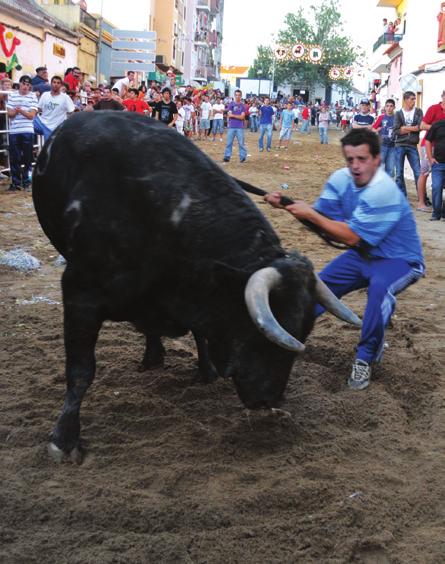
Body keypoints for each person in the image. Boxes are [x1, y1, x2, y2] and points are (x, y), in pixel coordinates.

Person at [264, 128, 424, 390]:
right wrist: (287, 203)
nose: (355, 166)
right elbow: (320, 217)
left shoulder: (384, 191)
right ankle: (284, 342)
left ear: (377, 160)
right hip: (363, 255)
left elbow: (349, 236)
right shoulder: (340, 179)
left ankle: (365, 357)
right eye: (350, 160)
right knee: (315, 289)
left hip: (401, 261)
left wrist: (310, 215)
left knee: (379, 290)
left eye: (362, 159)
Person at [6, 75, 38, 192]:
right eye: (24, 84)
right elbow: (9, 114)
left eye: (28, 85)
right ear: (20, 83)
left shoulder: (33, 96)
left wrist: (19, 111)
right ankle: (15, 182)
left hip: (28, 130)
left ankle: (26, 181)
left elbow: (31, 116)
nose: (26, 87)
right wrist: (17, 111)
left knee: (28, 158)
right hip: (14, 130)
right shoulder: (12, 95)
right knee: (15, 158)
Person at [418, 90, 445, 211]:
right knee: (425, 172)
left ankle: (438, 206)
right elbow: (422, 125)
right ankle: (421, 203)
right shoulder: (434, 108)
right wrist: (437, 128)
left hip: (442, 148)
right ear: (442, 96)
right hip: (429, 145)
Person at [393, 91, 423, 197]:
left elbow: (419, 127)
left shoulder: (418, 111)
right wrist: (412, 128)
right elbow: (396, 130)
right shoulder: (398, 113)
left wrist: (404, 127)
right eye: (412, 99)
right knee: (399, 173)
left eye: (415, 99)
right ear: (405, 100)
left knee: (418, 172)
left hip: (412, 145)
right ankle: (402, 197)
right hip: (399, 145)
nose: (414, 101)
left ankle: (422, 198)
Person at [34, 75, 75, 141]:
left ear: (61, 85)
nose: (56, 84)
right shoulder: (45, 95)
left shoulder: (65, 97)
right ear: (51, 83)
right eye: (54, 82)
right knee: (27, 122)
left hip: (55, 127)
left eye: (58, 83)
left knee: (49, 146)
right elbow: (38, 109)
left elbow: (72, 113)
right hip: (41, 123)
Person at [424, 118, 445, 220]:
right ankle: (436, 214)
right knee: (437, 187)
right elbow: (427, 140)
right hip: (438, 163)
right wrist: (430, 157)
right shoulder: (437, 124)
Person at [372, 98, 396, 178]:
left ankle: (387, 187)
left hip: (393, 147)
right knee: (380, 168)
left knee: (390, 169)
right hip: (382, 146)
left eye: (391, 106)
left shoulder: (397, 118)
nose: (389, 108)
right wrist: (377, 130)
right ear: (385, 107)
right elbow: (373, 129)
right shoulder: (381, 117)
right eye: (387, 106)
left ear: (394, 107)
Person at [223, 89, 247, 163]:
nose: (237, 96)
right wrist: (237, 116)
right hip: (231, 127)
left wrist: (233, 115)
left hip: (240, 127)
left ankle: (242, 157)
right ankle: (227, 157)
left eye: (239, 95)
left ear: (241, 96)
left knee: (241, 143)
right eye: (236, 95)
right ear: (234, 95)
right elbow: (229, 115)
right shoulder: (231, 104)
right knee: (229, 143)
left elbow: (242, 117)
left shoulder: (243, 106)